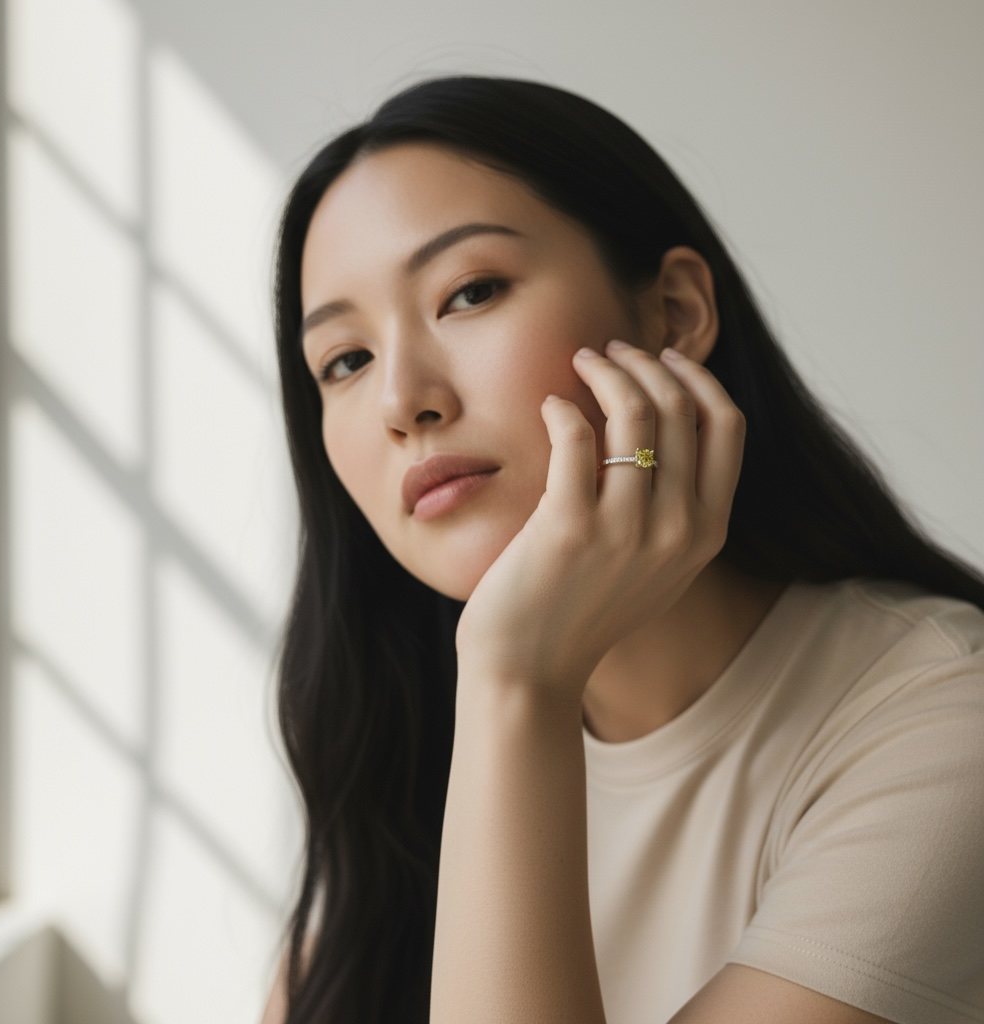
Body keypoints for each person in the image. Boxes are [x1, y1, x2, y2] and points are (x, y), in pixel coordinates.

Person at [261, 76, 984, 1024]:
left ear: (674, 314)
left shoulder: (939, 719)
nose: (403, 401)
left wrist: (517, 678)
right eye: (344, 361)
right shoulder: (403, 760)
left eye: (469, 293)